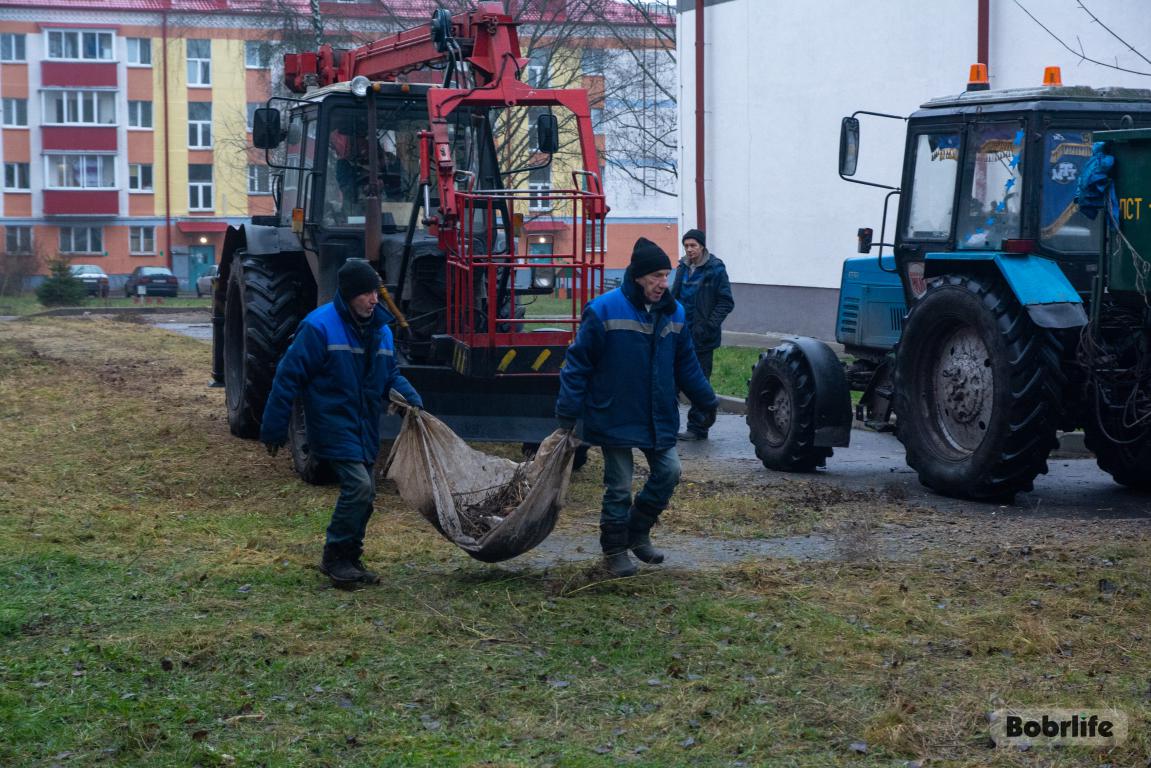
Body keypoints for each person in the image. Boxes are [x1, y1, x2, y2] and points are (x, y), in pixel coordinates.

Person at [556, 238, 719, 577]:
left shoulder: (675, 313)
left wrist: (707, 400)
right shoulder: (603, 310)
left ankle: (637, 530)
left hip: (657, 413)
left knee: (669, 472)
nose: (663, 283)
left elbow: (686, 363)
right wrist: (568, 412)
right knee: (619, 485)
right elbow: (578, 364)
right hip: (614, 412)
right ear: (638, 276)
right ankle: (615, 550)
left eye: (666, 275)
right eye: (656, 276)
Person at [260, 258, 423, 588]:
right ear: (349, 295)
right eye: (365, 294)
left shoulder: (381, 331)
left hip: (364, 424)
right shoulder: (318, 327)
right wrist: (274, 427)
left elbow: (390, 375)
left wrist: (413, 401)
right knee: (358, 487)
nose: (374, 300)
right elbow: (287, 377)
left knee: (367, 492)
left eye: (375, 292)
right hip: (331, 422)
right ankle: (334, 558)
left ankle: (350, 558)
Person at [671, 228, 734, 441]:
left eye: (693, 245)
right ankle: (668, 425)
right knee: (672, 380)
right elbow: (674, 297)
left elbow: (726, 302)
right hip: (680, 334)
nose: (689, 250)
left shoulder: (715, 269)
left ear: (702, 246)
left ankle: (698, 427)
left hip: (703, 337)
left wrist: (708, 326)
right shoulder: (682, 267)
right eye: (686, 246)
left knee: (699, 382)